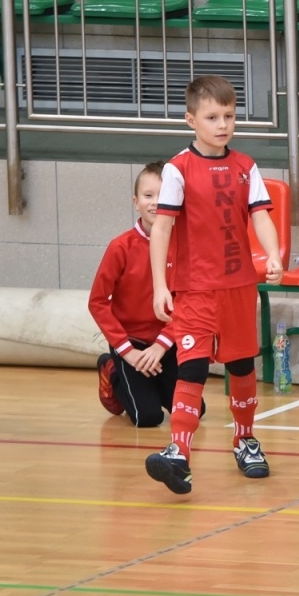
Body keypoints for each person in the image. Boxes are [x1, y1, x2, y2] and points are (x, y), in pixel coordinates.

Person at [143, 75, 284, 495]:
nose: (222, 124)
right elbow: (162, 228)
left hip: (239, 286)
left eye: (229, 116)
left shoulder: (246, 167)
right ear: (191, 120)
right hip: (195, 288)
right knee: (193, 367)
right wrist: (159, 286)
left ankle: (245, 441)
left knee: (241, 365)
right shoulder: (177, 169)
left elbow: (260, 215)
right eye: (212, 117)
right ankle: (178, 453)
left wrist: (272, 253)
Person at [90, 161, 182, 427]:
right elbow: (97, 302)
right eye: (148, 195)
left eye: (163, 196)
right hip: (129, 344)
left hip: (165, 343)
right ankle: (112, 369)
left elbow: (187, 302)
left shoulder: (184, 245)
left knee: (191, 410)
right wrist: (127, 351)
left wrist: (162, 344)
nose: (155, 203)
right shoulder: (121, 247)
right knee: (148, 417)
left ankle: (148, 381)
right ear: (136, 201)